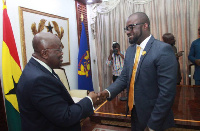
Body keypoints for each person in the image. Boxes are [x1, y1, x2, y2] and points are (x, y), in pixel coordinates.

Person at [99, 12, 177, 131]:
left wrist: (152, 125)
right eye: (126, 28)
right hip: (135, 112)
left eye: (131, 27)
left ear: (145, 26)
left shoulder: (162, 50)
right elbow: (124, 78)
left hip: (155, 117)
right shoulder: (130, 51)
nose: (127, 32)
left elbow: (167, 93)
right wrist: (107, 92)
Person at [16, 32, 100, 131]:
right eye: (59, 49)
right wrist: (89, 100)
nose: (61, 53)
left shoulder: (37, 68)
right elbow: (65, 117)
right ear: (45, 53)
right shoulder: (39, 79)